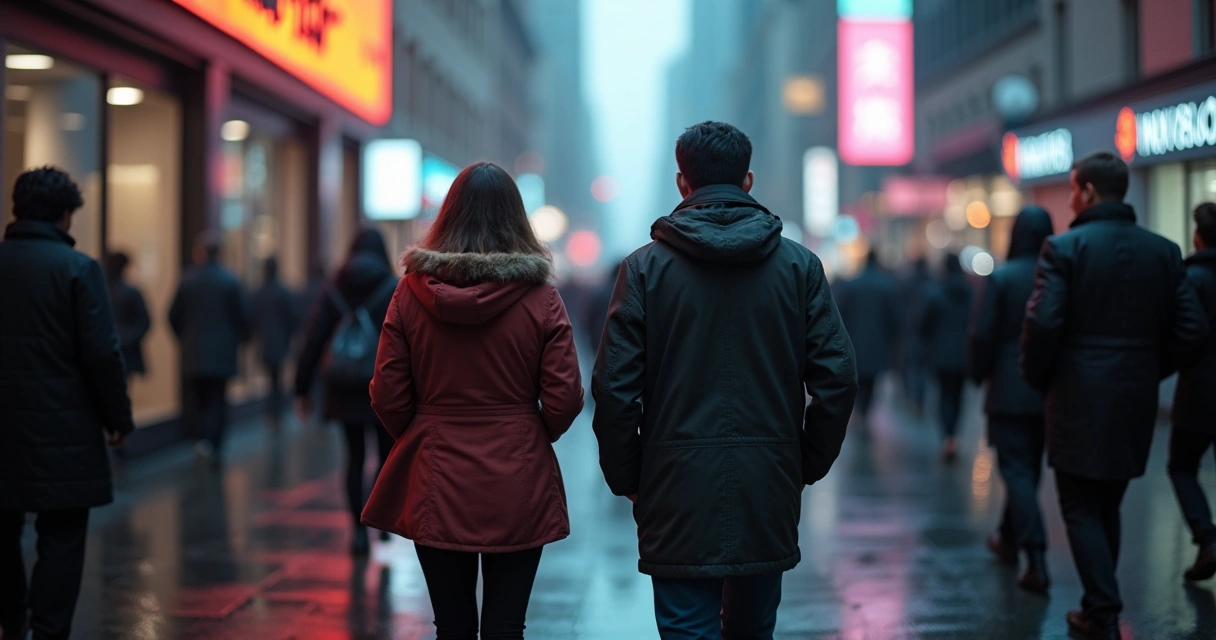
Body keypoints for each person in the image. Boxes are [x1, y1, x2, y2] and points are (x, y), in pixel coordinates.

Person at [593, 121, 857, 640]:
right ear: (749, 181)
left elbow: (614, 390)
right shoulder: (800, 267)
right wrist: (804, 462)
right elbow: (839, 379)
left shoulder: (644, 270)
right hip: (768, 480)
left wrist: (629, 477)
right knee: (754, 628)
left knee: (686, 627)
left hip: (673, 485)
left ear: (682, 183)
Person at [362, 162, 583, 638]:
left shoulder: (409, 294)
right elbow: (565, 398)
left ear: (447, 215)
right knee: (507, 626)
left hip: (434, 475)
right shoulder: (541, 298)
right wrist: (529, 430)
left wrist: (421, 432)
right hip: (517, 475)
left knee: (453, 624)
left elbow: (386, 392)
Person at [1021, 152, 1208, 639]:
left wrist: (1042, 376)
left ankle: (1101, 608)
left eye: (1071, 188)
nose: (1069, 197)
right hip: (1135, 395)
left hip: (1078, 393)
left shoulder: (1063, 249)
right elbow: (1192, 330)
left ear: (1085, 191)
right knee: (1109, 502)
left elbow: (1042, 323)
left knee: (1079, 504)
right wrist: (1148, 366)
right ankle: (1098, 602)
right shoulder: (1164, 251)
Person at [0, 167, 134, 640]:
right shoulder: (78, 269)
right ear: (64, 214)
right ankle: (49, 629)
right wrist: (117, 418)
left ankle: (11, 618)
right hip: (66, 432)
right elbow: (102, 352)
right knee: (62, 535)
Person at [295, 229, 399, 555]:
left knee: (354, 458)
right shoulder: (393, 288)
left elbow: (313, 338)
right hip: (383, 386)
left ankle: (357, 531)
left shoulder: (334, 287)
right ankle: (380, 520)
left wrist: (301, 388)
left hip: (343, 386)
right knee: (386, 457)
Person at [967, 206, 1053, 592]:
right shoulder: (1056, 274)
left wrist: (979, 373)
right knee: (1028, 469)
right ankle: (1007, 537)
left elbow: (982, 335)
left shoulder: (1001, 279)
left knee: (1016, 470)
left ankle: (1034, 555)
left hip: (1007, 387)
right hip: (1050, 388)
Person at [169, 234, 251, 468]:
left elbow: (173, 315)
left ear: (200, 253)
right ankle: (214, 445)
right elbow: (243, 317)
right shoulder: (230, 281)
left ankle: (200, 440)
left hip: (193, 351)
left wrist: (184, 339)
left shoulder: (188, 280)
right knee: (217, 399)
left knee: (198, 399)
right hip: (223, 352)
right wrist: (239, 339)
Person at [1168, 202, 1216, 582]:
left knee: (1182, 466)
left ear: (1198, 238)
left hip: (1200, 390)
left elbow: (1180, 333)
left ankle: (1207, 540)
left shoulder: (1191, 278)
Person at [920, 253, 974, 463]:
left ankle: (947, 438)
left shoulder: (935, 294)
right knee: (958, 397)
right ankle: (953, 437)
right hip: (963, 355)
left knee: (943, 397)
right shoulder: (971, 293)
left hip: (940, 355)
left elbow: (924, 325)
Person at [835, 251, 899, 423]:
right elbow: (894, 317)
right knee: (872, 380)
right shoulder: (886, 285)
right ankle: (865, 410)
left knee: (858, 377)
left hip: (855, 340)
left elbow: (841, 314)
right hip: (878, 340)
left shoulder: (853, 285)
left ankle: (861, 409)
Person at [252, 257, 299, 427]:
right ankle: (276, 410)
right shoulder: (283, 292)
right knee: (276, 378)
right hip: (280, 342)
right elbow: (293, 318)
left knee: (271, 378)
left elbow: (252, 318)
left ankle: (272, 410)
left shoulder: (259, 293)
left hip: (265, 341)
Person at [105, 251, 152, 379]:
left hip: (116, 350)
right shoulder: (130, 292)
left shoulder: (102, 290)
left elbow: (144, 322)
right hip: (124, 350)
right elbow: (144, 322)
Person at [899, 257, 933, 414]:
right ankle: (918, 396)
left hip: (911, 331)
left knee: (913, 365)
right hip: (926, 333)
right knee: (920, 366)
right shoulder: (932, 283)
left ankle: (914, 394)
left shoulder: (907, 283)